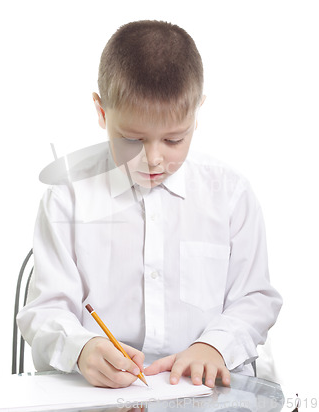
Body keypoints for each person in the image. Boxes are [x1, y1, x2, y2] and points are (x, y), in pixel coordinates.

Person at [17, 20, 282, 390]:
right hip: (96, 393)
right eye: (132, 139)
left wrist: (214, 346)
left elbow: (255, 298)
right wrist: (83, 347)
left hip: (204, 390)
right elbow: (45, 309)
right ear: (101, 111)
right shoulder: (68, 197)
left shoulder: (230, 194)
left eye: (174, 139)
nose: (153, 159)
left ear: (196, 112)